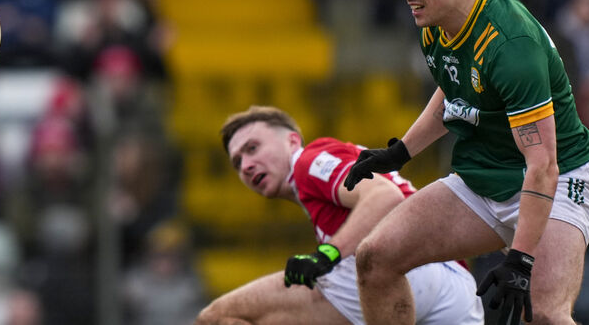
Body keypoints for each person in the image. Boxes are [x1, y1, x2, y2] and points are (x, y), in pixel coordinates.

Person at [345, 0, 589, 325]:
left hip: (558, 180)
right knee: (375, 259)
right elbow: (454, 87)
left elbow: (543, 167)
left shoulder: (510, 45)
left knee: (546, 314)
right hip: (485, 177)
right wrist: (401, 152)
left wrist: (519, 261)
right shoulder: (436, 23)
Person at [195, 105, 483, 325]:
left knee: (216, 317)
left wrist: (327, 255)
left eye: (252, 148)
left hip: (409, 269)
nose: (246, 165)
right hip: (455, 289)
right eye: (237, 162)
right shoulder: (320, 185)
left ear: (292, 141)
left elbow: (384, 196)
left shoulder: (308, 161)